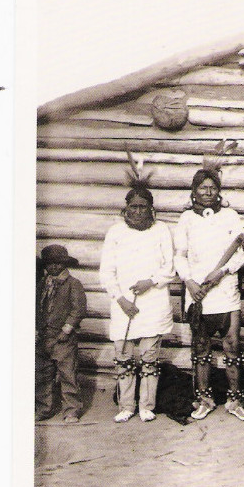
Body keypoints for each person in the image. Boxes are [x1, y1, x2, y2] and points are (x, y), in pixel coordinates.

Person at [174, 162, 244, 421]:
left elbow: (240, 253)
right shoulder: (186, 219)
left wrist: (222, 272)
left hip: (225, 292)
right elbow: (180, 255)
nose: (207, 192)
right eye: (202, 188)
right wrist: (189, 282)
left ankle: (234, 399)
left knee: (231, 345)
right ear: (194, 191)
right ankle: (205, 398)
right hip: (199, 294)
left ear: (218, 191)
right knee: (201, 348)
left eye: (212, 187)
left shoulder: (230, 216)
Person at [99, 177, 175, 423]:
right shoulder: (115, 232)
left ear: (151, 209)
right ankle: (126, 405)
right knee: (123, 356)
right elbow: (107, 272)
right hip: (123, 305)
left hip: (153, 303)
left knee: (149, 357)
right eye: (134, 206)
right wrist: (121, 299)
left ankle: (146, 405)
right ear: (126, 208)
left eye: (143, 206)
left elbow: (169, 268)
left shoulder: (161, 230)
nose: (138, 211)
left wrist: (150, 281)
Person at [35, 244, 87, 423]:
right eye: (50, 264)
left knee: (67, 374)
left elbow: (78, 309)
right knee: (43, 374)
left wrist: (67, 329)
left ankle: (71, 410)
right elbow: (36, 307)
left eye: (58, 263)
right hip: (43, 336)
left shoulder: (73, 284)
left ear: (65, 264)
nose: (54, 267)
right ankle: (45, 408)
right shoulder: (42, 285)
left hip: (63, 337)